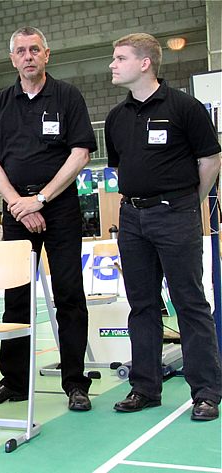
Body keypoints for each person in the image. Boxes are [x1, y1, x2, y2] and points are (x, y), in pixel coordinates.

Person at [0, 26, 96, 411]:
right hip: (15, 211)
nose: (28, 56)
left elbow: (80, 154)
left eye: (34, 50)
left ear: (47, 55)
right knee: (15, 299)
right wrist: (17, 203)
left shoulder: (67, 97)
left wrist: (41, 200)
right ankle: (14, 382)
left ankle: (75, 383)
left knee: (69, 296)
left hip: (59, 206)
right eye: (21, 51)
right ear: (12, 59)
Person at [105, 33, 221, 421]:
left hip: (176, 213)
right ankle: (145, 387)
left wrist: (188, 202)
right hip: (132, 218)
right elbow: (120, 167)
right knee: (142, 305)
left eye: (120, 58)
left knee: (189, 303)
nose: (112, 64)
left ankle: (206, 392)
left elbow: (210, 160)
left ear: (144, 63)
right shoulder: (116, 118)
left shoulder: (185, 108)